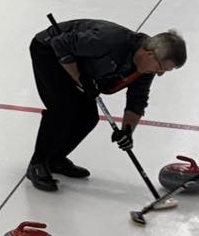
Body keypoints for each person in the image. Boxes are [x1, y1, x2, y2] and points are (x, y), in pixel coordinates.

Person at [26, 18, 187, 191]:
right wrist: (80, 79)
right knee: (62, 108)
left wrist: (127, 131)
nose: (160, 74)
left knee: (88, 117)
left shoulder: (146, 68)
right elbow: (60, 44)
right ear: (150, 54)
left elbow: (137, 99)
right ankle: (37, 164)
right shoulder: (109, 40)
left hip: (78, 65)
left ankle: (55, 160)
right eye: (161, 68)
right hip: (49, 51)